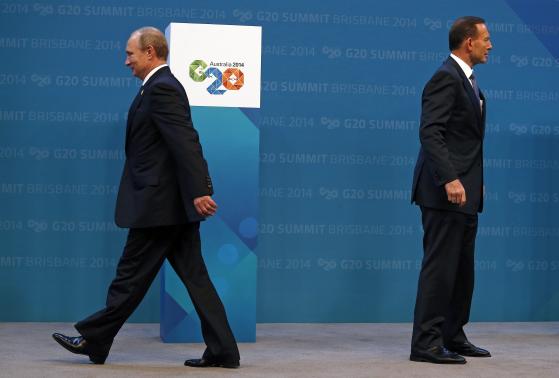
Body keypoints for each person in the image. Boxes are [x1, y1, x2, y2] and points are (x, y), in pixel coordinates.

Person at [52, 26, 240, 369]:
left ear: (150, 53)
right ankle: (224, 351)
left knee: (129, 277)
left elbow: (186, 141)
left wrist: (201, 189)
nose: (126, 61)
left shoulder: (162, 88)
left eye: (130, 54)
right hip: (169, 205)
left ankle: (95, 340)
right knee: (195, 280)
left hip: (159, 207)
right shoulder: (154, 87)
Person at [410, 16, 493, 364]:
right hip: (445, 192)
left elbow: (466, 142)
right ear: (468, 43)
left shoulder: (469, 82)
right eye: (486, 39)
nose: (490, 45)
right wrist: (450, 179)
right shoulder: (445, 78)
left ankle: (453, 335)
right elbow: (431, 133)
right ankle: (425, 344)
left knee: (462, 271)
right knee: (440, 270)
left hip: (466, 192)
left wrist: (476, 182)